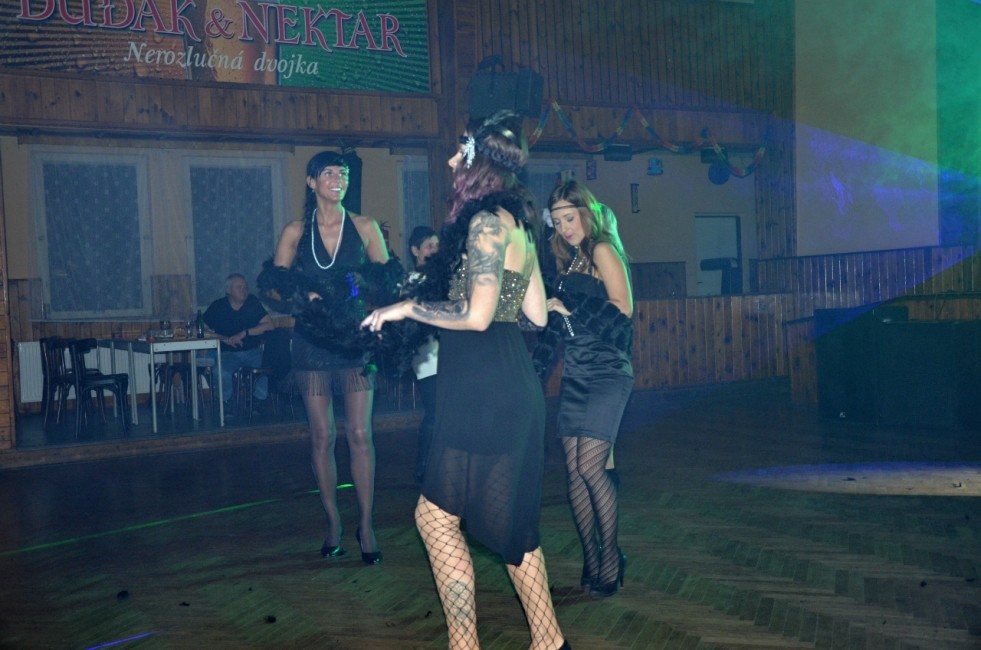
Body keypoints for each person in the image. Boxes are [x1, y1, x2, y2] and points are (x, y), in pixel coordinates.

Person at [362, 111, 571, 650]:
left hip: (483, 391)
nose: (453, 160)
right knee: (512, 529)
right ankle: (549, 643)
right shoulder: (516, 221)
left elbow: (477, 316)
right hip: (507, 386)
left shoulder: (485, 224)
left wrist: (408, 306)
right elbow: (535, 314)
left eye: (461, 150)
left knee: (435, 520)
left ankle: (467, 645)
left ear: (479, 162)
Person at [262, 150, 393, 564]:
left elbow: (387, 283)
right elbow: (274, 286)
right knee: (322, 436)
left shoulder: (366, 226)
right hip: (311, 343)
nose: (338, 179)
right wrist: (304, 297)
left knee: (360, 434)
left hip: (354, 341)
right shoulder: (295, 231)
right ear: (311, 181)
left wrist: (365, 301)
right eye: (329, 173)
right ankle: (333, 521)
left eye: (344, 173)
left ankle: (366, 525)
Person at [533, 181, 634, 598]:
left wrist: (569, 305)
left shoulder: (601, 250)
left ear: (586, 213)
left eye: (569, 218)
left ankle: (611, 559)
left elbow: (623, 309)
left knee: (591, 467)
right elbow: (562, 326)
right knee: (574, 472)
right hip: (576, 370)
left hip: (608, 368)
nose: (564, 228)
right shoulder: (568, 260)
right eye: (557, 222)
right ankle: (591, 560)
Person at [202, 273, 275, 410]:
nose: (244, 290)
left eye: (245, 287)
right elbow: (199, 330)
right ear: (228, 290)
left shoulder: (252, 303)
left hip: (252, 351)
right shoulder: (218, 306)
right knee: (221, 371)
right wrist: (224, 339)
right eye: (239, 287)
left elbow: (269, 325)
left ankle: (258, 401)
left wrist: (244, 333)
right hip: (227, 353)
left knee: (263, 367)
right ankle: (226, 404)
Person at [405, 226, 440, 483]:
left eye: (437, 245)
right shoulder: (412, 281)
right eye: (429, 246)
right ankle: (424, 465)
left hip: (450, 352)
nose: (434, 250)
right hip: (426, 355)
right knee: (435, 410)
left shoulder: (444, 276)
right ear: (415, 250)